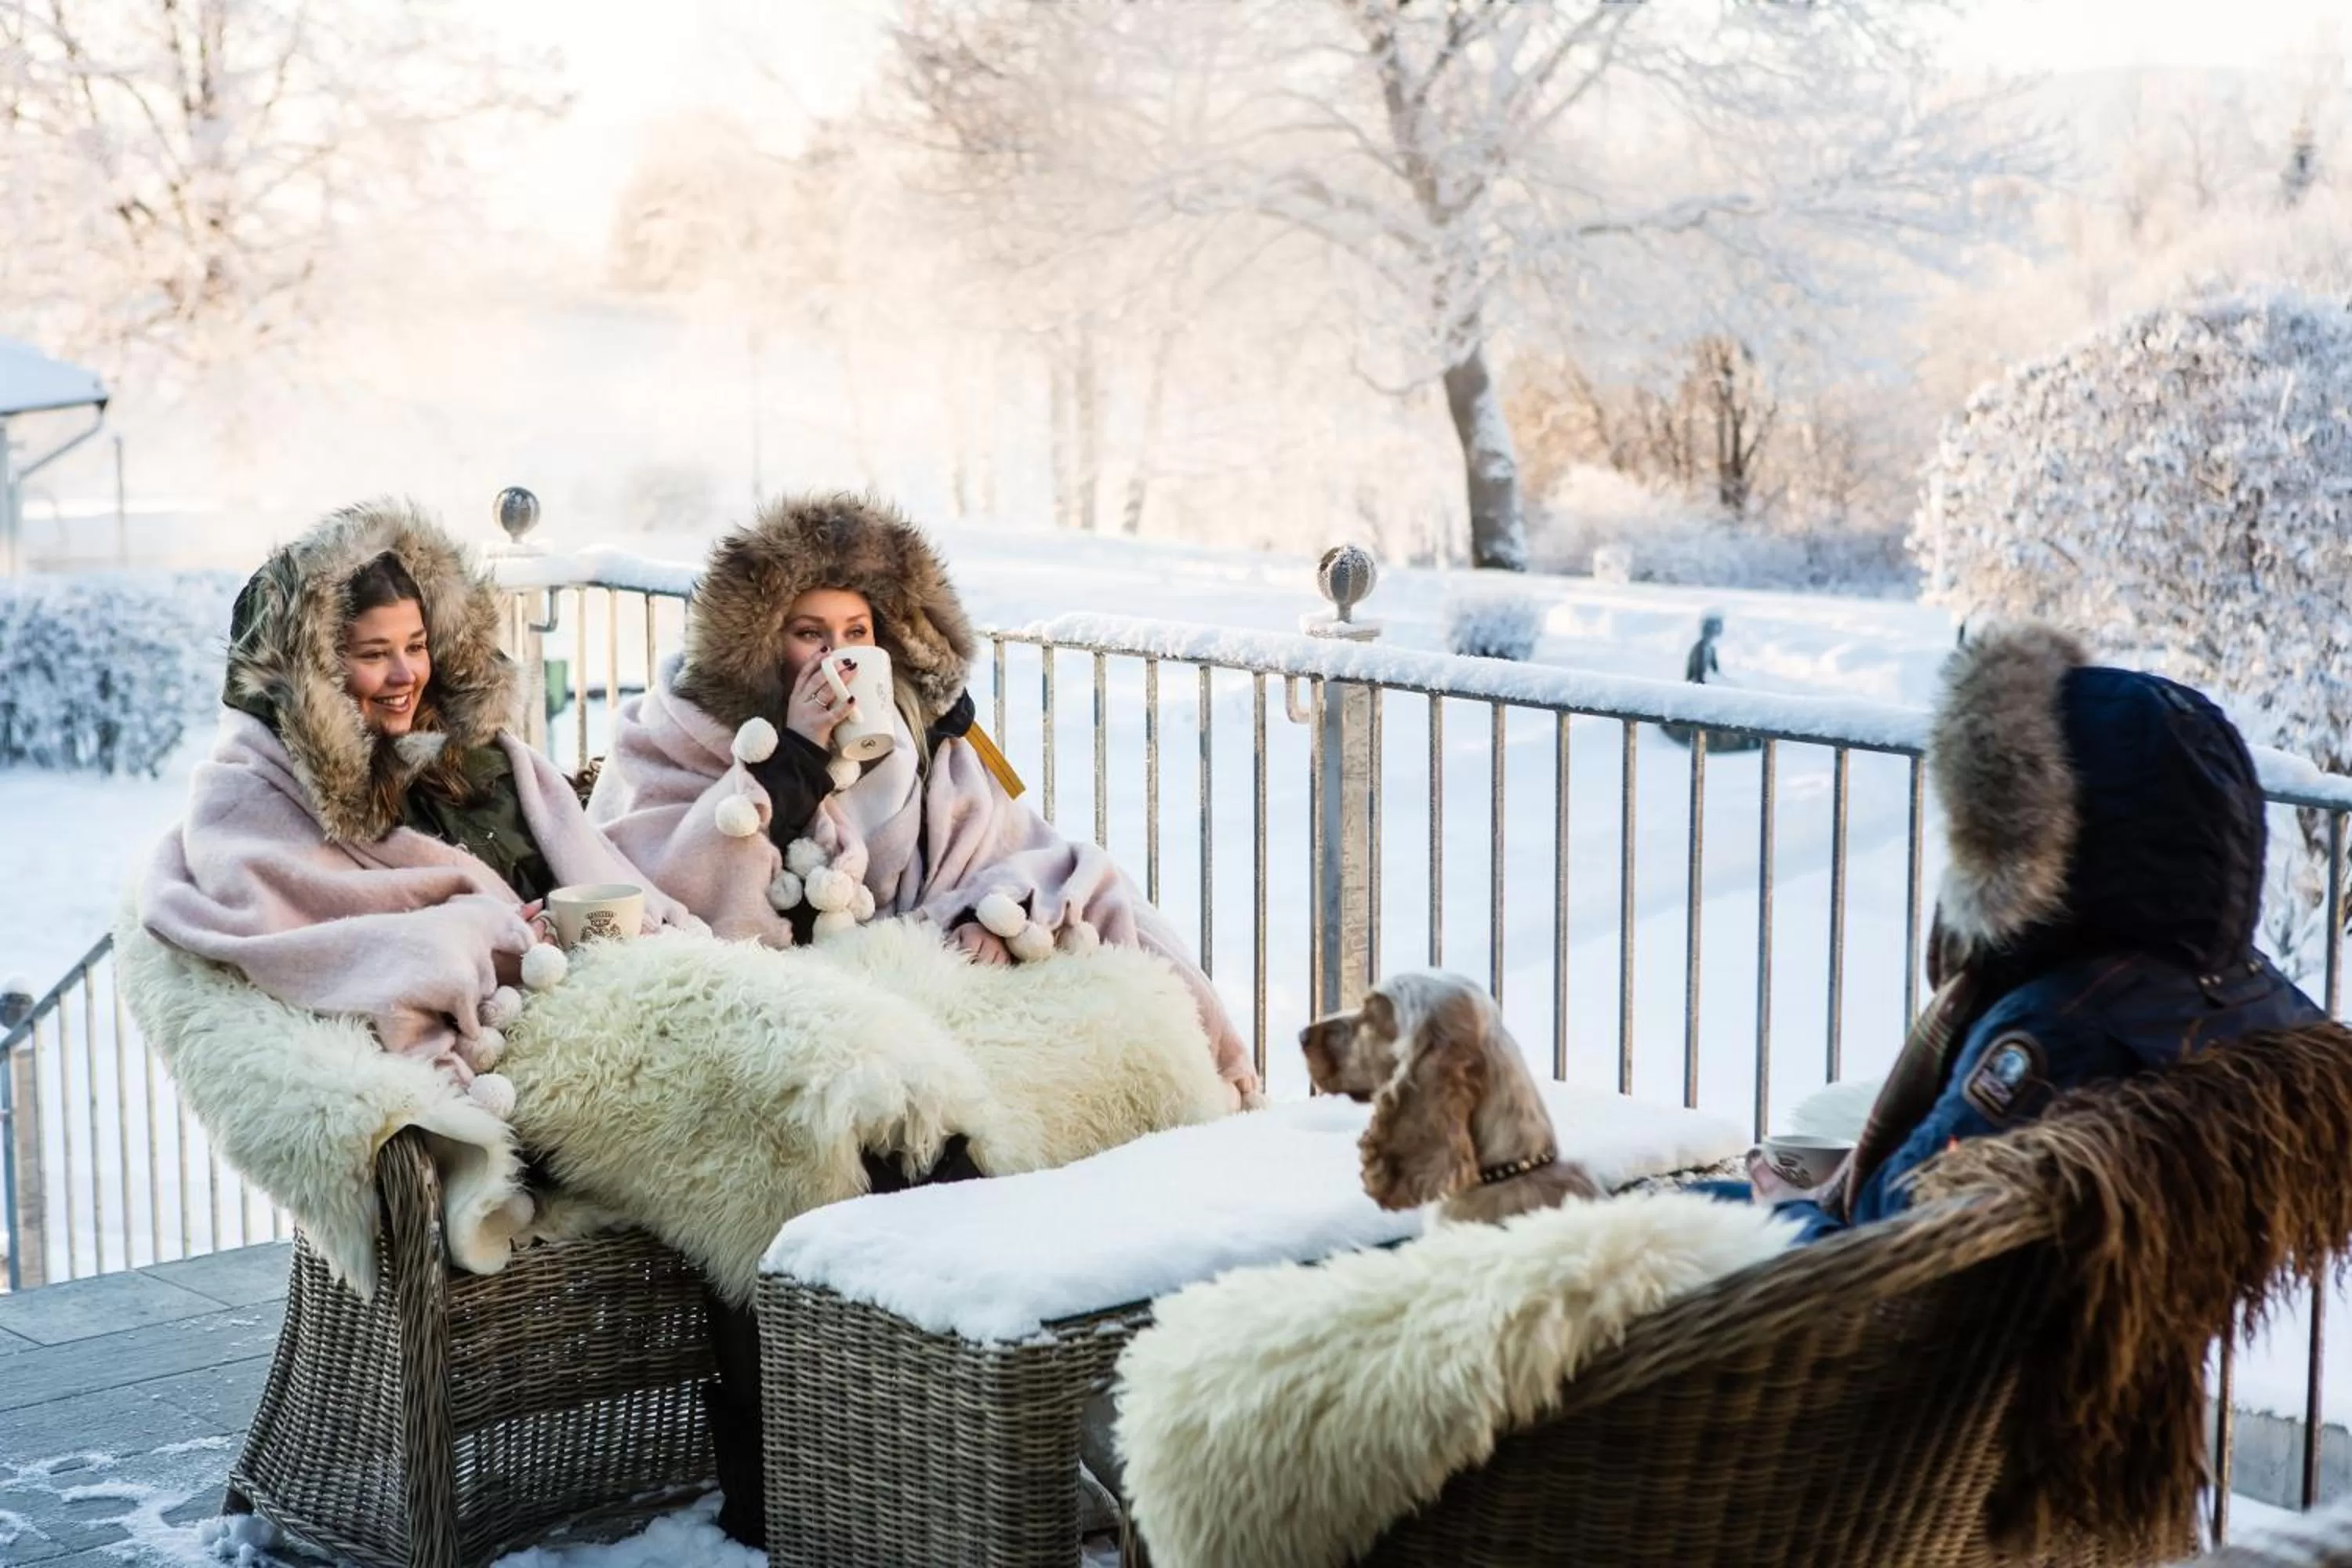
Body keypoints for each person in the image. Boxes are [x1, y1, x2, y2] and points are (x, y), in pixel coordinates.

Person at [588, 490, 1262, 1109]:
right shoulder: (680, 731)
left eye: (856, 632)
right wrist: (794, 757)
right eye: (810, 634)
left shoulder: (924, 733)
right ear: (764, 641)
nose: (838, 654)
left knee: (1113, 902)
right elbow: (664, 884)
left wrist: (984, 911)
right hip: (788, 999)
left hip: (922, 971)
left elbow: (1005, 845)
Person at [1745, 623, 2325, 1241]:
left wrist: (1783, 1208)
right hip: (2118, 1283)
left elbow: (1891, 1251)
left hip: (1923, 1293)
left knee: (1706, 1205)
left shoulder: (2053, 1031)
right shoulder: (2257, 999)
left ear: (2031, 834)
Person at [140, 499, 699, 1112]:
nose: (406, 674)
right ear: (313, 675)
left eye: (417, 645)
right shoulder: (265, 793)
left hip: (599, 1000)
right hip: (517, 1046)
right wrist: (482, 932)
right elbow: (307, 934)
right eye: (374, 654)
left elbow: (591, 866)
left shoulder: (474, 752)